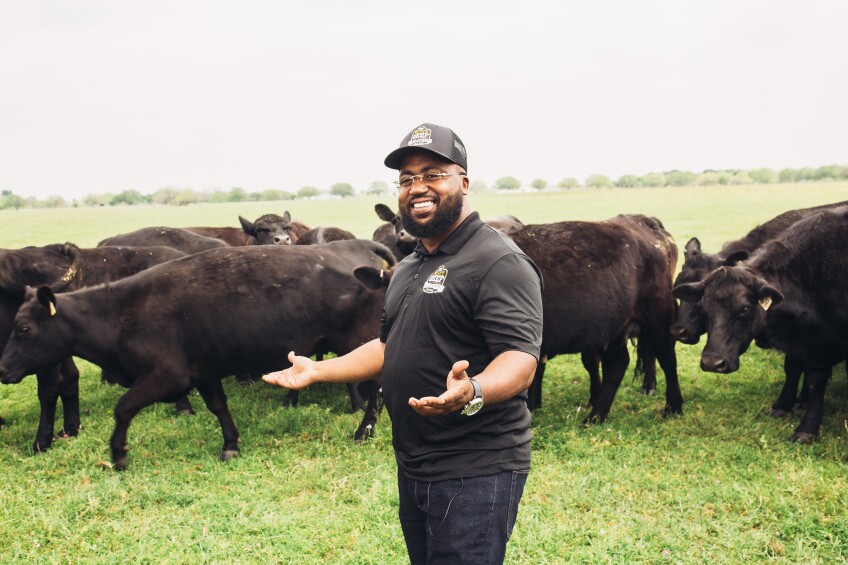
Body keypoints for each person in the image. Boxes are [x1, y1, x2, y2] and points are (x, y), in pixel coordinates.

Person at [263, 122, 543, 564]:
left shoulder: (498, 261)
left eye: (433, 174)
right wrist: (319, 370)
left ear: (464, 183)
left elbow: (520, 358)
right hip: (416, 463)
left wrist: (474, 390)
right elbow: (388, 347)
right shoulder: (411, 266)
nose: (418, 187)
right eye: (408, 179)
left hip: (475, 468)